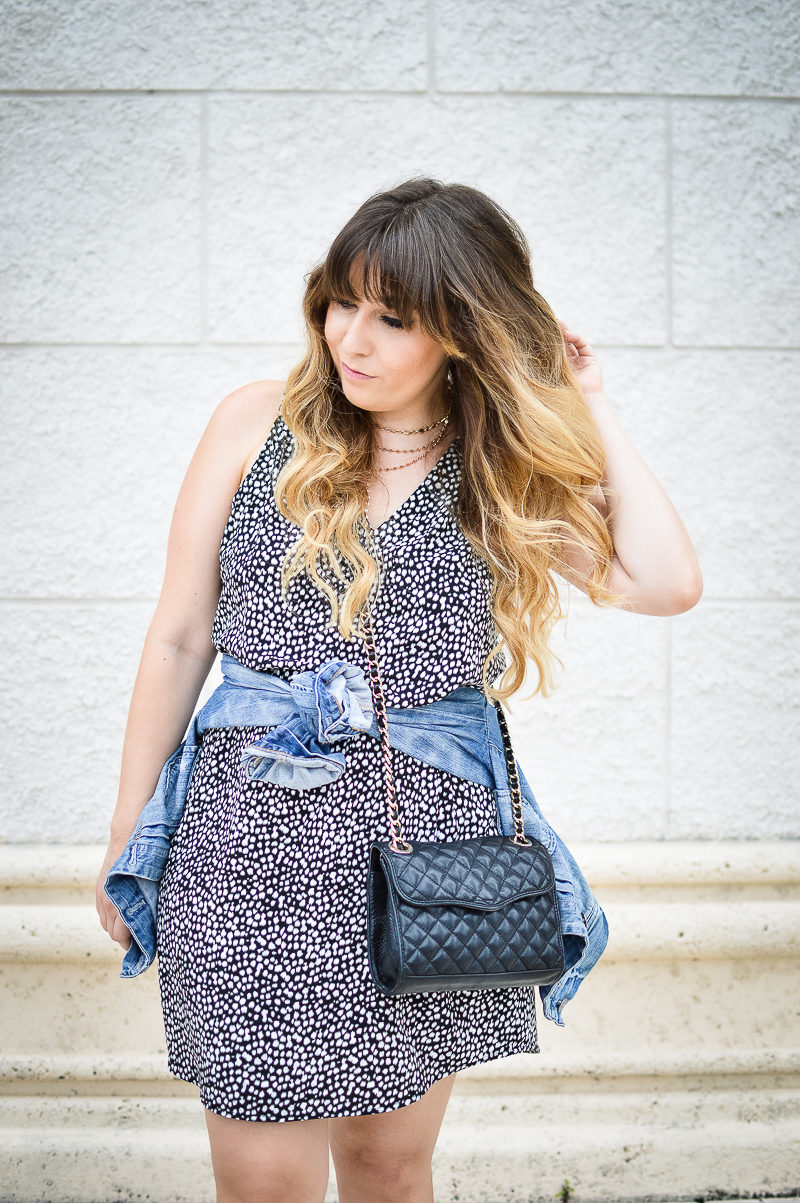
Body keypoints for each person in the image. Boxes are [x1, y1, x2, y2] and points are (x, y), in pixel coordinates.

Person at [95, 176, 702, 1203]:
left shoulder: (494, 465)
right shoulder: (254, 422)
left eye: (392, 317)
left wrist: (588, 408)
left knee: (387, 1167)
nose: (351, 339)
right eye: (340, 302)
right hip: (246, 843)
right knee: (262, 1181)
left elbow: (664, 582)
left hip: (423, 859)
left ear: (461, 331)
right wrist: (128, 836)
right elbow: (180, 636)